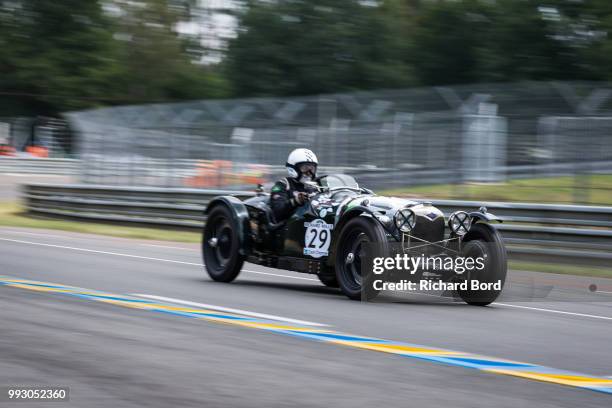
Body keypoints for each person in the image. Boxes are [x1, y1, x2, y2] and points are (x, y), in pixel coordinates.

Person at [270, 148, 318, 222]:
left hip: (312, 223)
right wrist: (296, 201)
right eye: (305, 168)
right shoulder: (282, 185)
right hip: (288, 227)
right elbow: (277, 213)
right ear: (293, 168)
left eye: (312, 169)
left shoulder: (315, 187)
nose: (309, 173)